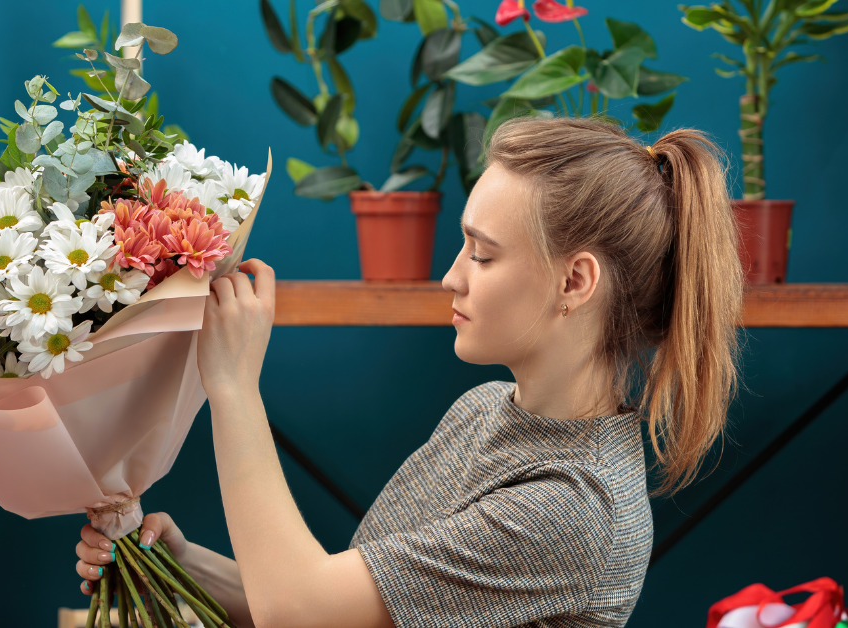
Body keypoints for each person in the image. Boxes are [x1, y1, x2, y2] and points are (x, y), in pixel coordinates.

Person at [73, 117, 744, 628]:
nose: (450, 275)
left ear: (575, 280)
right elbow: (344, 608)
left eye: (481, 256)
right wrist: (175, 559)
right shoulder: (485, 411)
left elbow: (298, 611)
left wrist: (233, 387)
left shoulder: (573, 509)